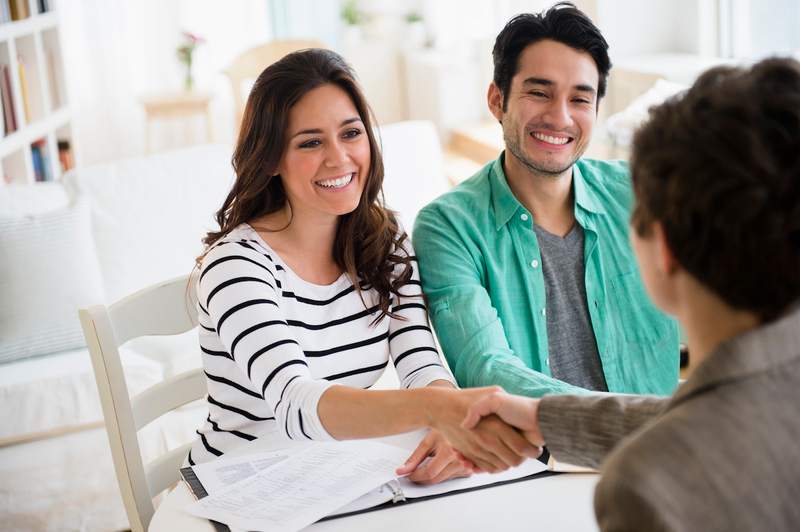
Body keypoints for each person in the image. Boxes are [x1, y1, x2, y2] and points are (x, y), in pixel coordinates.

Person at [463, 57, 800, 531]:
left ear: (664, 248)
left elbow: (708, 429)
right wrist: (547, 417)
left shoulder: (647, 487)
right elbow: (720, 417)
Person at [189, 48, 539, 482]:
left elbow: (419, 361)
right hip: (240, 485)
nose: (339, 158)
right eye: (311, 142)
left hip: (333, 476)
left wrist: (449, 424)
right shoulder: (236, 266)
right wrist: (441, 409)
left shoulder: (384, 239)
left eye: (351, 133)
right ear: (272, 158)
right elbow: (297, 405)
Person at [413, 2, 679, 398]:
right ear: (496, 100)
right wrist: (627, 423)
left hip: (665, 445)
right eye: (539, 93)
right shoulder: (448, 227)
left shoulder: (639, 193)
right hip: (542, 455)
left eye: (580, 99)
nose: (560, 118)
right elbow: (487, 370)